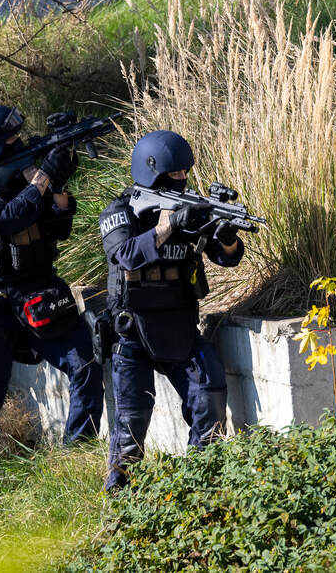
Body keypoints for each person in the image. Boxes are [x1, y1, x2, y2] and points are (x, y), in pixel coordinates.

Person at [0, 104, 104, 477]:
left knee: (85, 364)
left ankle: (75, 461)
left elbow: (58, 227)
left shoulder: (22, 178)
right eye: (10, 139)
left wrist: (57, 185)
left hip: (40, 295)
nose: (18, 142)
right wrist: (41, 178)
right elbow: (4, 219)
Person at [98, 130, 244, 491]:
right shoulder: (120, 211)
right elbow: (125, 255)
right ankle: (119, 498)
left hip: (179, 328)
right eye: (174, 176)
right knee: (132, 419)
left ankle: (200, 485)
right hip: (131, 332)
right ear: (152, 174)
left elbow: (229, 259)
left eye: (184, 174)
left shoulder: (188, 211)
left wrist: (225, 236)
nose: (182, 180)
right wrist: (166, 226)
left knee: (209, 394)